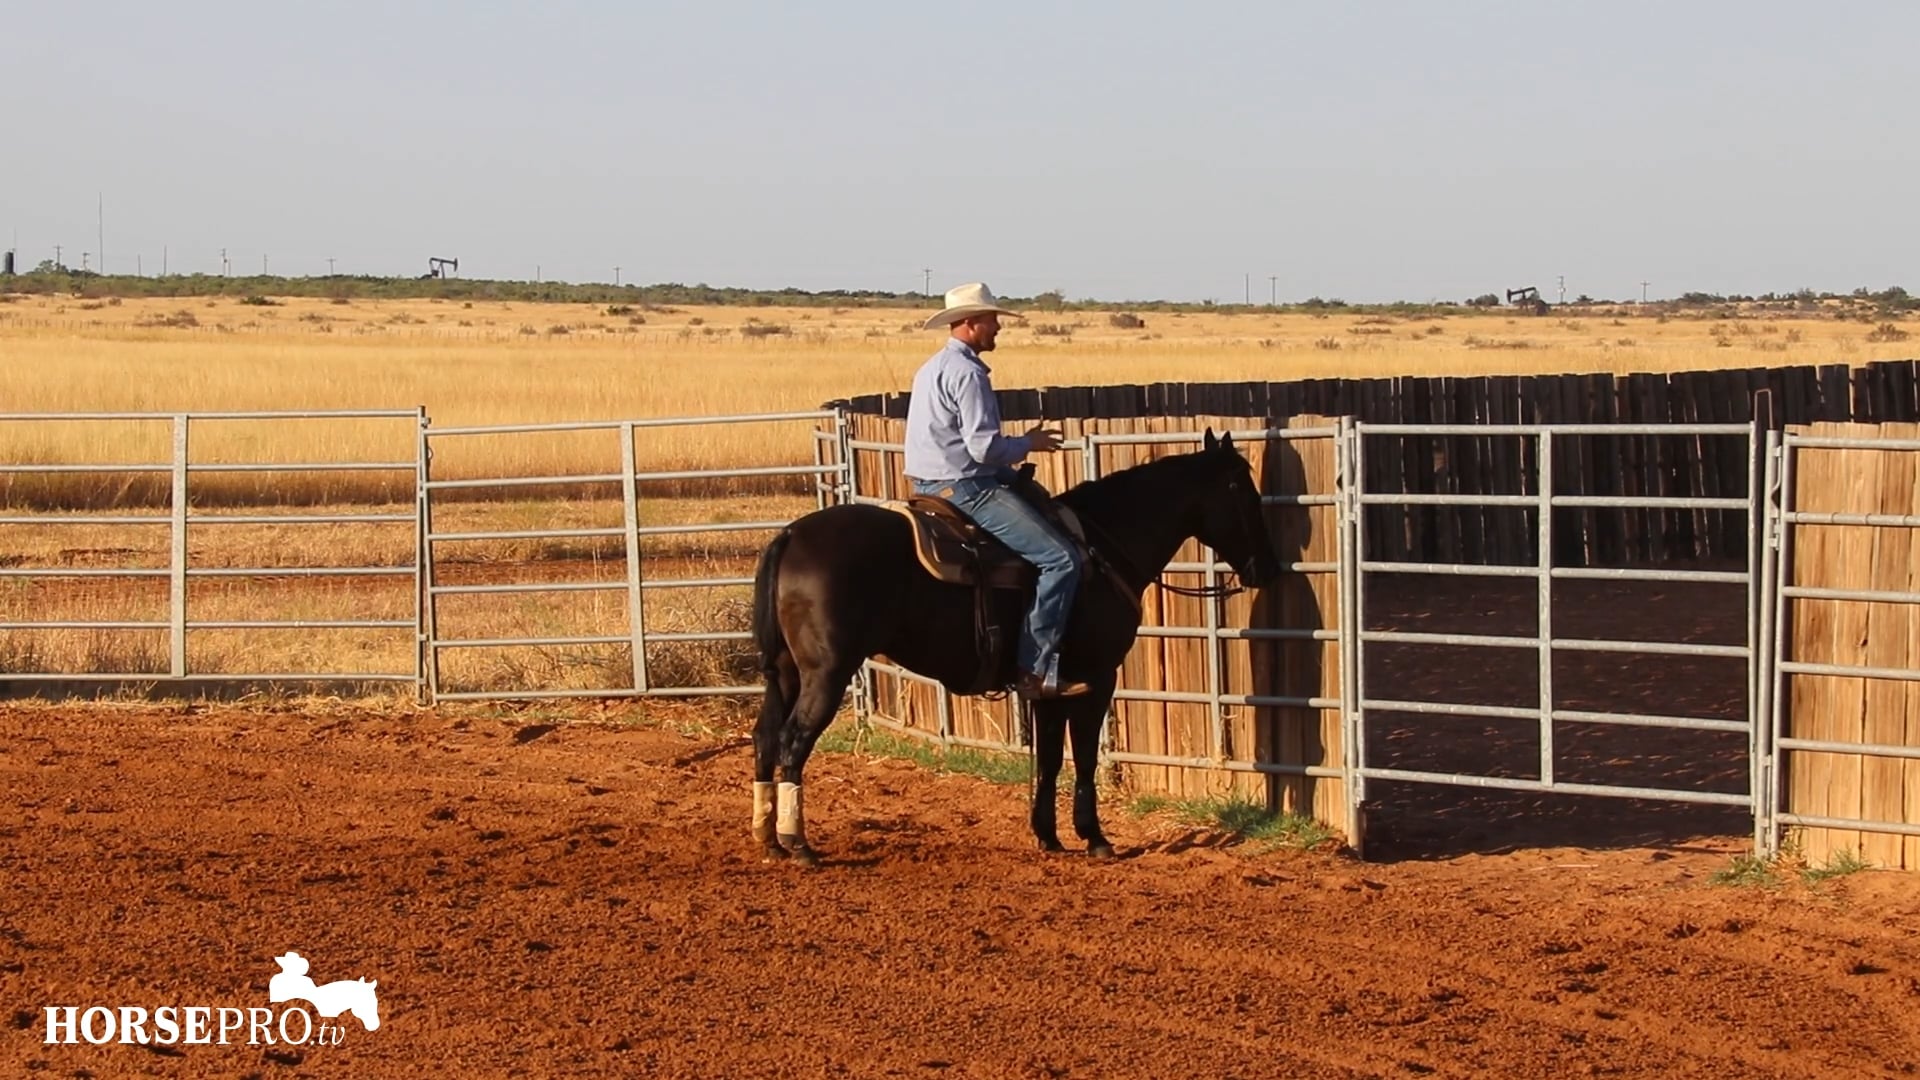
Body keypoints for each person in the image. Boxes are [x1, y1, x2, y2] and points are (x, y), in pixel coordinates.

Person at [903, 282, 1089, 698]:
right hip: (967, 486)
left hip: (928, 481)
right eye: (991, 320)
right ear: (969, 324)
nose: (997, 327)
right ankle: (1033, 669)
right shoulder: (968, 373)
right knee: (1061, 560)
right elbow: (985, 448)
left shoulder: (931, 367)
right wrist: (1029, 443)